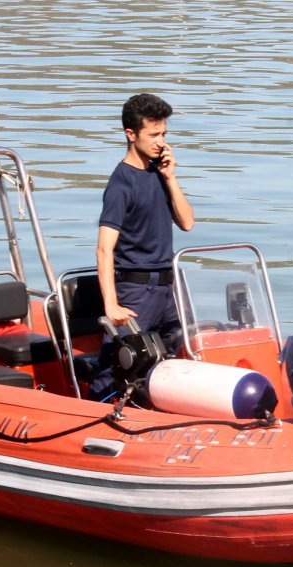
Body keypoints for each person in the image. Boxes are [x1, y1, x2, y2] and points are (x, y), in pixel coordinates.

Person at [89, 93, 195, 400]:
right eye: (153, 135)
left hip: (168, 287)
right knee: (118, 363)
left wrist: (171, 178)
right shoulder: (121, 184)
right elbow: (104, 249)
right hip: (135, 289)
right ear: (130, 134)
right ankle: (96, 412)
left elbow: (187, 223)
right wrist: (111, 304)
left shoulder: (160, 174)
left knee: (170, 361)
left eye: (163, 134)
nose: (160, 142)